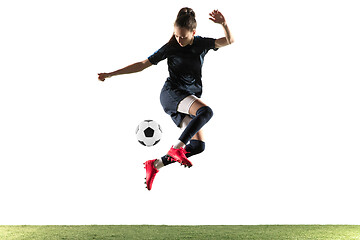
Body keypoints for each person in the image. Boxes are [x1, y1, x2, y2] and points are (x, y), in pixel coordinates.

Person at [98, 8, 234, 190]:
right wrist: (110, 74)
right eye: (177, 36)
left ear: (193, 33)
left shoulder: (202, 44)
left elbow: (229, 41)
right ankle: (176, 148)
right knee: (206, 112)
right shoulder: (171, 48)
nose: (179, 40)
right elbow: (142, 65)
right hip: (171, 94)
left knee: (197, 146)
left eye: (183, 37)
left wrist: (224, 24)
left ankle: (155, 166)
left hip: (187, 97)